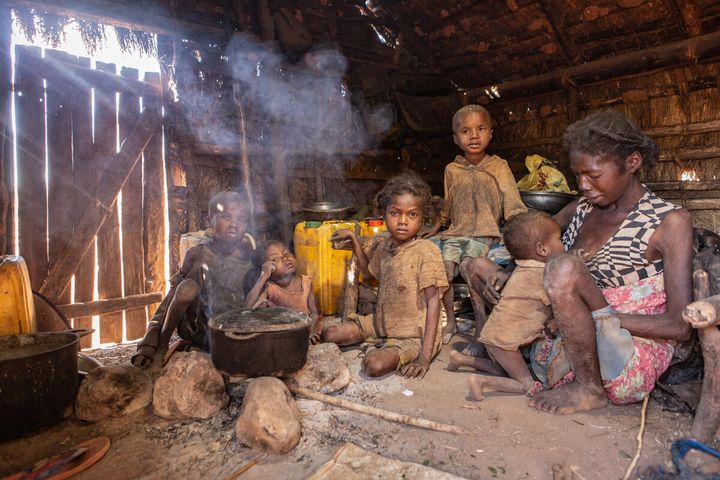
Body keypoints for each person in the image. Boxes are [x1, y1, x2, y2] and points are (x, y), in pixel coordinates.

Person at [507, 110, 692, 414]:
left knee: (564, 266)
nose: (582, 184)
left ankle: (589, 390)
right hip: (574, 344)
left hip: (627, 353)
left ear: (632, 162)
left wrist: (591, 317)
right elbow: (531, 240)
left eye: (593, 175)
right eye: (577, 175)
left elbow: (679, 325)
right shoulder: (582, 208)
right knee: (484, 268)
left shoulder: (669, 222)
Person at [321, 172, 449, 379]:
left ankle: (390, 350)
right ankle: (379, 342)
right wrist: (354, 240)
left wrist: (424, 359)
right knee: (330, 334)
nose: (403, 221)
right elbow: (366, 272)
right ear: (384, 214)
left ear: (423, 218)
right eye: (395, 213)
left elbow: (433, 303)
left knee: (373, 365)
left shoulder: (426, 250)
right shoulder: (386, 244)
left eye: (412, 215)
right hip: (381, 323)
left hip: (413, 335)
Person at [424, 104, 526, 348]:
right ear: (455, 138)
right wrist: (438, 225)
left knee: (470, 268)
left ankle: (481, 325)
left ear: (491, 133)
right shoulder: (452, 169)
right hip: (455, 233)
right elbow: (448, 207)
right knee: (445, 271)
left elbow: (513, 203)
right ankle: (450, 322)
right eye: (466, 131)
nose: (474, 136)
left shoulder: (498, 167)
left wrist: (519, 229)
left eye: (481, 129)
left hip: (484, 234)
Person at [446, 211, 566, 399]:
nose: (563, 245)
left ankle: (460, 359)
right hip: (505, 342)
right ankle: (481, 382)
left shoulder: (521, 267)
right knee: (527, 385)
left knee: (502, 369)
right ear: (542, 249)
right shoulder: (545, 275)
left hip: (493, 335)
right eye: (559, 240)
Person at [131, 191, 255, 369]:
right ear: (210, 220)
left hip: (232, 332)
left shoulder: (251, 259)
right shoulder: (197, 254)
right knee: (187, 287)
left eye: (241, 219)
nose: (234, 224)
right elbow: (170, 299)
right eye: (226, 217)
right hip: (199, 330)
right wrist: (149, 343)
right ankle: (162, 347)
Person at [244, 239, 321, 342]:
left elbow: (314, 313)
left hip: (306, 331)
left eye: (287, 253)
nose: (285, 258)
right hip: (282, 337)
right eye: (275, 259)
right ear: (269, 268)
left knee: (330, 334)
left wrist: (310, 332)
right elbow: (247, 308)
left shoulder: (305, 283)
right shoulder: (270, 288)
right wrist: (263, 276)